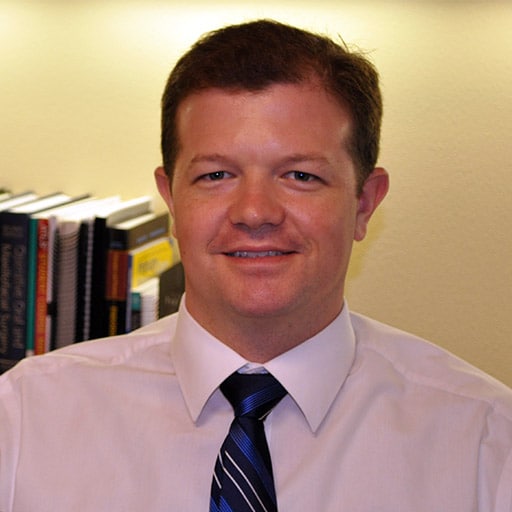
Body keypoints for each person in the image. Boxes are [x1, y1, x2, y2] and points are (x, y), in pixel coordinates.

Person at [1, 19, 511, 512]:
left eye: (300, 176)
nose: (254, 212)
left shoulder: (487, 442)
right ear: (171, 199)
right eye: (216, 175)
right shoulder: (23, 419)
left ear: (364, 203)